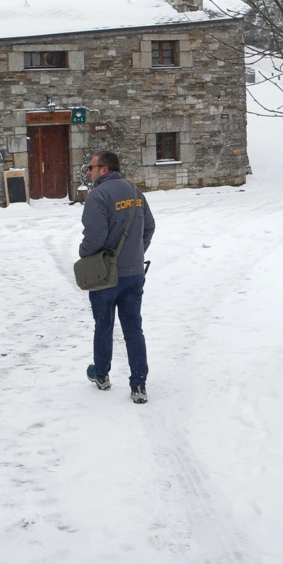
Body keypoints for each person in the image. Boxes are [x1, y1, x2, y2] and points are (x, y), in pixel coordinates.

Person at [79, 150, 155, 404]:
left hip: (105, 275)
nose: (88, 172)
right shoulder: (135, 192)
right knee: (134, 327)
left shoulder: (98, 196)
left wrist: (84, 254)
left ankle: (101, 374)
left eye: (91, 167)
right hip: (134, 273)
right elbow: (150, 227)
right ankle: (139, 384)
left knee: (104, 324)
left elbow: (95, 237)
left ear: (104, 169)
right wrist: (136, 253)